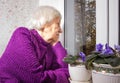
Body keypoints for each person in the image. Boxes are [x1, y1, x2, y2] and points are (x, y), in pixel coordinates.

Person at [0, 6, 70, 83]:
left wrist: (56, 44)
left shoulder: (49, 47)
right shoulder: (22, 35)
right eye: (58, 24)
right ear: (46, 24)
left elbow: (65, 69)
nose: (61, 30)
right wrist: (63, 75)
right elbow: (36, 79)